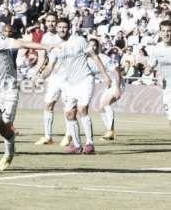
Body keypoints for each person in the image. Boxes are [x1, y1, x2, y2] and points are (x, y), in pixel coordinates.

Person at [0, 9, 57, 173]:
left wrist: (44, 46)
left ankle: (10, 150)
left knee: (4, 129)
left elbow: (22, 43)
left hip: (7, 90)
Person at [39, 18, 112, 154]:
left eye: (64, 27)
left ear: (69, 28)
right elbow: (50, 67)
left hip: (85, 80)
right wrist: (40, 77)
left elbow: (95, 56)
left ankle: (90, 144)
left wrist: (105, 75)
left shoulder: (79, 41)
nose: (62, 29)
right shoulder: (56, 48)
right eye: (59, 27)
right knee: (69, 114)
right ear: (56, 28)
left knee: (82, 109)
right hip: (70, 83)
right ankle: (77, 145)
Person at [32, 13, 70, 146]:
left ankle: (68, 133)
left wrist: (61, 62)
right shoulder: (46, 37)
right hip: (54, 76)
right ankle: (48, 137)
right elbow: (43, 57)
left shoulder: (66, 38)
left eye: (53, 21)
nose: (50, 24)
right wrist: (37, 74)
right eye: (48, 21)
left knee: (67, 106)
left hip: (68, 78)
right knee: (48, 105)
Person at [88, 39, 124, 141]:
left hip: (117, 83)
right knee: (100, 108)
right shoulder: (88, 60)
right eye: (90, 46)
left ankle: (110, 131)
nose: (92, 48)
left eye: (94, 46)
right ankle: (110, 132)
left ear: (98, 46)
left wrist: (117, 88)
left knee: (106, 103)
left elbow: (117, 72)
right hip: (108, 86)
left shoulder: (104, 58)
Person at [149, 20, 171, 125]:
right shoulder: (157, 49)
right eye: (164, 31)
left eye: (169, 31)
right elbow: (150, 68)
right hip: (168, 89)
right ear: (160, 32)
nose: (166, 34)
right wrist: (148, 70)